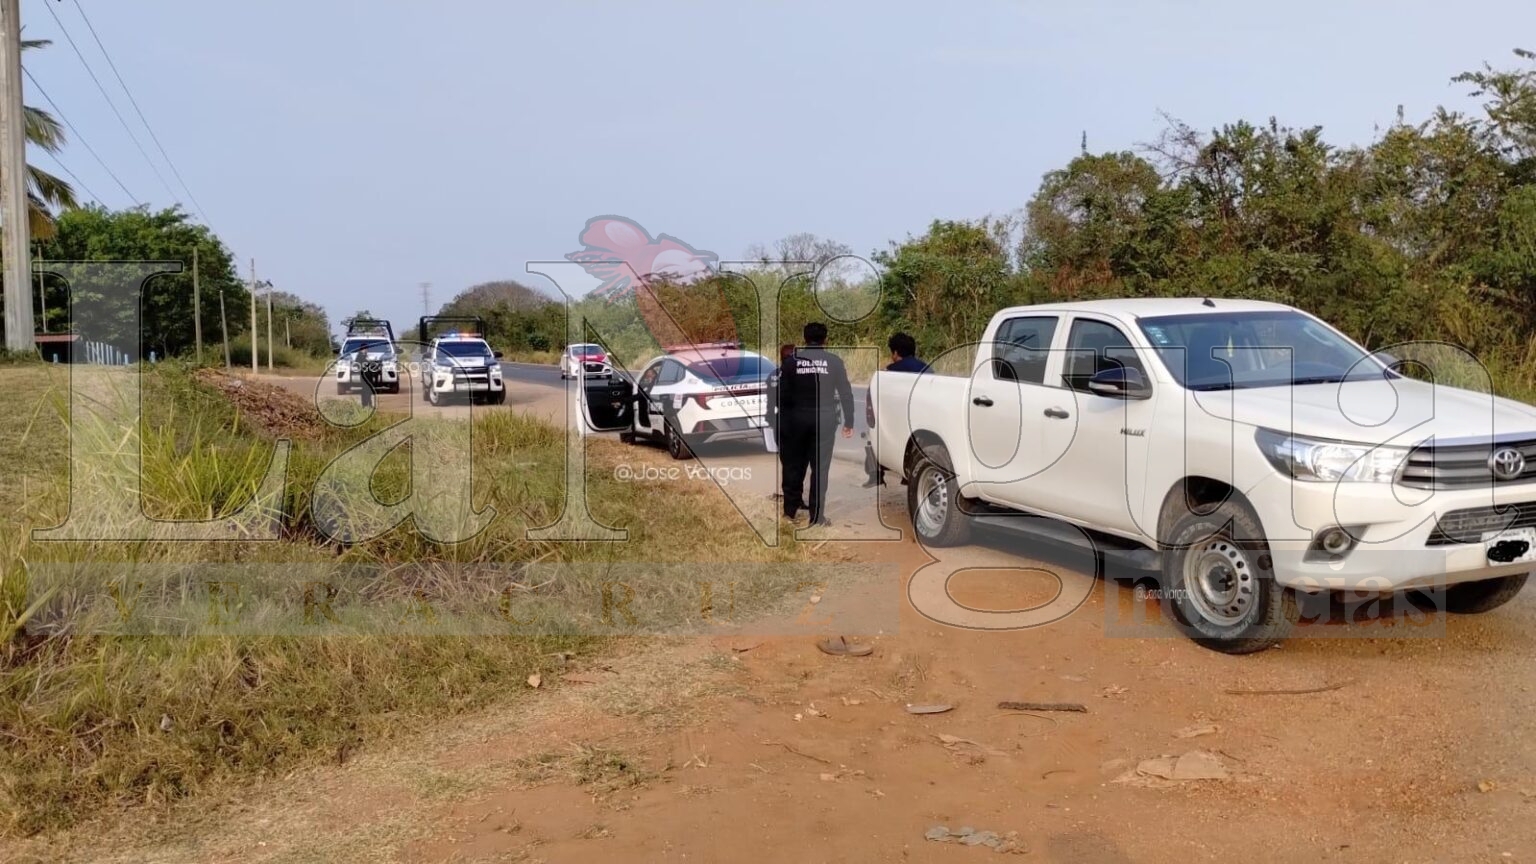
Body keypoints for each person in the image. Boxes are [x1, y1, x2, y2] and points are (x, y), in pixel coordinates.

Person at [779, 323, 855, 526]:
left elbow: (782, 397)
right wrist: (849, 421)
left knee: (794, 467)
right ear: (825, 340)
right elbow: (846, 394)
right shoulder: (834, 362)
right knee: (820, 470)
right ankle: (817, 517)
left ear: (804, 339)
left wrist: (785, 424)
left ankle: (789, 513)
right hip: (825, 421)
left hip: (797, 421)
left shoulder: (791, 362)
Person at [863, 332, 929, 488]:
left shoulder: (890, 371)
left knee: (872, 438)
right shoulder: (927, 368)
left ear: (895, 353)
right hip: (922, 422)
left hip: (900, 421)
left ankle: (876, 475)